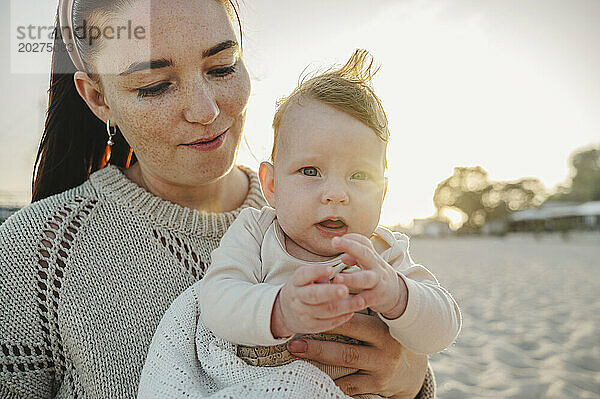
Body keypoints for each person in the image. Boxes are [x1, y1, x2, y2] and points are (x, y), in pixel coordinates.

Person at [0, 0, 435, 398]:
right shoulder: (33, 252)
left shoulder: (330, 219)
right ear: (98, 98)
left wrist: (412, 383)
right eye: (154, 85)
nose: (205, 109)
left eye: (222, 66)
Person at [138, 50, 461, 398]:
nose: (336, 194)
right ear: (272, 185)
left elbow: (444, 328)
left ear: (383, 191)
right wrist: (280, 311)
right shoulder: (256, 233)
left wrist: (397, 296)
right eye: (311, 171)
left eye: (359, 175)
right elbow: (216, 300)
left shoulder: (383, 254)